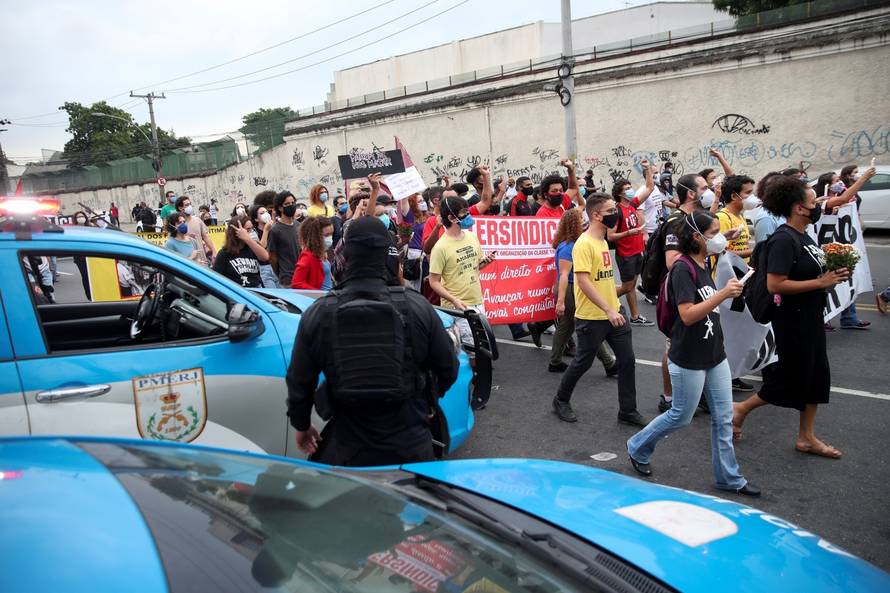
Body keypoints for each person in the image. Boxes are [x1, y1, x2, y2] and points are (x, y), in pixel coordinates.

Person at [285, 216, 459, 466]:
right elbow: (448, 368)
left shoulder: (319, 313)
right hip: (411, 444)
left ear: (344, 255)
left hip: (349, 448)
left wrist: (301, 425)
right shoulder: (417, 306)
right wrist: (428, 401)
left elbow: (299, 381)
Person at [627, 209, 760, 497]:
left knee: (723, 417)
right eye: (712, 233)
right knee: (681, 415)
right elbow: (687, 315)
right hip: (688, 355)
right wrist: (722, 294)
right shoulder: (682, 269)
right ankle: (637, 447)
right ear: (695, 238)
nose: (717, 239)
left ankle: (729, 477)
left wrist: (725, 239)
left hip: (714, 353)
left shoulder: (704, 260)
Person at [732, 175, 851, 459]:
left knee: (817, 377)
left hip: (811, 316)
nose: (818, 205)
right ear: (799, 208)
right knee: (792, 378)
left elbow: (810, 274)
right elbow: (776, 284)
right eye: (813, 202)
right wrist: (821, 283)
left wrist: (832, 276)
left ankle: (806, 437)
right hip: (793, 320)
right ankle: (740, 409)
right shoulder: (783, 240)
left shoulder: (804, 236)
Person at [551, 193, 646, 427]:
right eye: (611, 210)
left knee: (627, 361)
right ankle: (560, 400)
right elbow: (583, 282)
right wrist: (608, 310)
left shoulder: (603, 241)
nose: (617, 214)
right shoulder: (583, 244)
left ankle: (628, 410)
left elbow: (601, 278)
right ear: (595, 215)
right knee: (582, 362)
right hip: (593, 318)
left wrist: (621, 292)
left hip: (614, 312)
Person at [549, 208, 617, 376]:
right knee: (587, 326)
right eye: (581, 219)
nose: (585, 221)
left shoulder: (571, 243)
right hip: (570, 289)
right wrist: (561, 301)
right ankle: (609, 363)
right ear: (574, 224)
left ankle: (555, 361)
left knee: (566, 327)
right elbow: (564, 275)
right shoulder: (569, 247)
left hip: (569, 289)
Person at [428, 195, 497, 352]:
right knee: (471, 352)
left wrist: (486, 261)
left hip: (478, 301)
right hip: (457, 307)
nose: (468, 215)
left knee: (483, 348)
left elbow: (474, 267)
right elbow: (434, 281)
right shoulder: (440, 247)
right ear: (451, 218)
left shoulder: (472, 237)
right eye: (464, 212)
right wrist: (454, 300)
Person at [813, 167, 877, 330]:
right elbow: (842, 200)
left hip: (840, 246)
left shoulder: (844, 201)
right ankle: (823, 317)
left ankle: (849, 317)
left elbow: (847, 199)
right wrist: (864, 178)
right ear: (827, 185)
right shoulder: (822, 202)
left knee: (847, 278)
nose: (839, 183)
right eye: (835, 181)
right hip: (823, 249)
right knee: (827, 283)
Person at [608, 161, 655, 327]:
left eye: (630, 187)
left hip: (637, 252)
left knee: (632, 285)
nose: (630, 190)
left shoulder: (633, 205)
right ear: (620, 194)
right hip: (626, 255)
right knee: (627, 286)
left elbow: (649, 187)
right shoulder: (617, 210)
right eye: (627, 188)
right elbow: (611, 236)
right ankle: (600, 301)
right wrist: (629, 233)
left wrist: (647, 169)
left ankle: (635, 316)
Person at [212, 214, 269, 288]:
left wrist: (248, 239)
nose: (251, 232)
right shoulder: (224, 253)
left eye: (252, 229)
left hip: (257, 292)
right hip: (238, 295)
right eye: (248, 230)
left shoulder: (253, 246)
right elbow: (215, 279)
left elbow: (265, 257)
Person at [267, 191, 302, 287]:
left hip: (302, 275)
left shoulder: (298, 225)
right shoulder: (275, 230)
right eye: (287, 204)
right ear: (280, 207)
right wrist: (280, 273)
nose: (291, 206)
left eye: (293, 203)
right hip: (288, 279)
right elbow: (272, 256)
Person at [291, 216, 334, 290]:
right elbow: (297, 283)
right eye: (326, 235)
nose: (330, 238)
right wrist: (317, 293)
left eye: (331, 234)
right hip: (320, 298)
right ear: (316, 236)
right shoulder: (308, 255)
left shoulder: (321, 253)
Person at [175, 196, 215, 266]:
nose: (189, 206)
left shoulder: (197, 220)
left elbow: (206, 237)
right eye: (187, 205)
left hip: (202, 261)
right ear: (180, 208)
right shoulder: (177, 224)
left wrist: (214, 251)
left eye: (190, 204)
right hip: (187, 262)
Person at [248, 202, 279, 288]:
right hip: (264, 267)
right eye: (261, 213)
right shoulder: (253, 232)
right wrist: (266, 230)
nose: (265, 214)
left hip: (277, 266)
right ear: (256, 219)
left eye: (266, 212)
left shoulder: (274, 229)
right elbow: (261, 247)